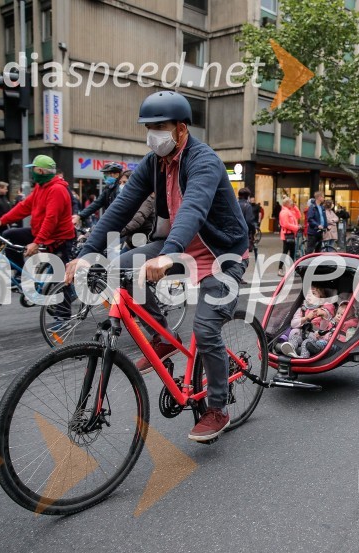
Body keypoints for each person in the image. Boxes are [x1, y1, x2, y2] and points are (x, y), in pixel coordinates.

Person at [64, 91, 249, 443]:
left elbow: (193, 207)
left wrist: (170, 253)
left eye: (160, 127)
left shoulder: (204, 160)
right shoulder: (154, 162)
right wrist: (88, 252)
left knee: (207, 330)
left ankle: (217, 407)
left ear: (180, 129)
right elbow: (120, 209)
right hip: (174, 247)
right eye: (149, 128)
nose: (153, 135)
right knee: (119, 268)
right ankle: (163, 339)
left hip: (220, 254)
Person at [0, 155, 75, 325]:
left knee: (59, 276)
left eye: (33, 169)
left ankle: (64, 315)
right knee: (10, 235)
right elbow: (24, 207)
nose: (32, 173)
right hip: (41, 232)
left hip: (59, 239)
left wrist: (36, 243)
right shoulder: (40, 187)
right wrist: (2, 220)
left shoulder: (57, 190)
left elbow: (51, 219)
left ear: (40, 170)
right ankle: (23, 275)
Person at [278, 285, 336, 358]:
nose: (309, 295)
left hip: (315, 337)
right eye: (308, 294)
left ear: (321, 299)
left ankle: (303, 358)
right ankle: (290, 349)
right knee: (294, 334)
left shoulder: (325, 309)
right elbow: (293, 324)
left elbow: (325, 325)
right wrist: (305, 318)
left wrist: (323, 314)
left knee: (306, 343)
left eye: (313, 294)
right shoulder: (302, 309)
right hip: (302, 334)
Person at [73, 162, 123, 226]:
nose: (105, 176)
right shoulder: (108, 188)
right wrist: (80, 216)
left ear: (116, 174)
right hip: (110, 222)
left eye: (107, 174)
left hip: (119, 224)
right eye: (105, 174)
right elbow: (97, 203)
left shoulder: (120, 189)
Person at [237, 187, 259, 269]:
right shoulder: (248, 206)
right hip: (243, 234)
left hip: (234, 233)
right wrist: (253, 232)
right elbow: (249, 221)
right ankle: (239, 276)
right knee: (243, 256)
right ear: (247, 196)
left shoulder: (235, 204)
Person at [278, 197, 299, 277]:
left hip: (291, 234)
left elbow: (298, 216)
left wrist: (295, 207)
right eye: (290, 202)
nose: (292, 204)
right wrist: (296, 228)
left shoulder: (289, 211)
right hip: (287, 235)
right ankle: (280, 269)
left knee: (291, 252)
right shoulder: (284, 212)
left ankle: (290, 270)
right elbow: (285, 224)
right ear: (286, 203)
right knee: (285, 252)